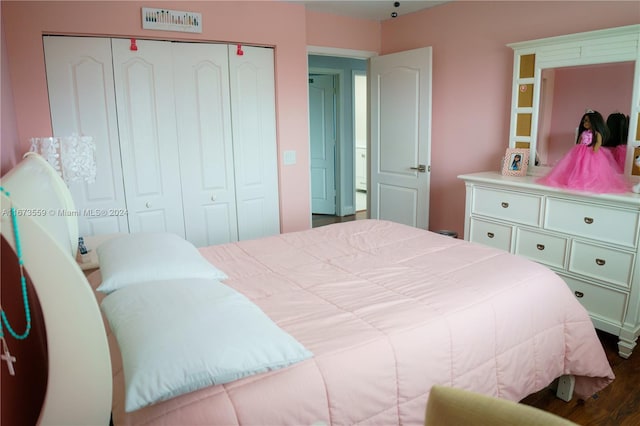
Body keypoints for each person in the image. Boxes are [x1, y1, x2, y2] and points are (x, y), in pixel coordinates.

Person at [537, 110, 628, 193]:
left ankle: (589, 181)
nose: (585, 123)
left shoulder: (596, 133)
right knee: (578, 166)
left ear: (594, 122)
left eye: (587, 121)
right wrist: (576, 148)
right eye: (584, 121)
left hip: (592, 152)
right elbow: (579, 141)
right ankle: (575, 179)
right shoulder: (583, 133)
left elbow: (598, 141)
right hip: (581, 150)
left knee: (590, 167)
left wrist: (595, 148)